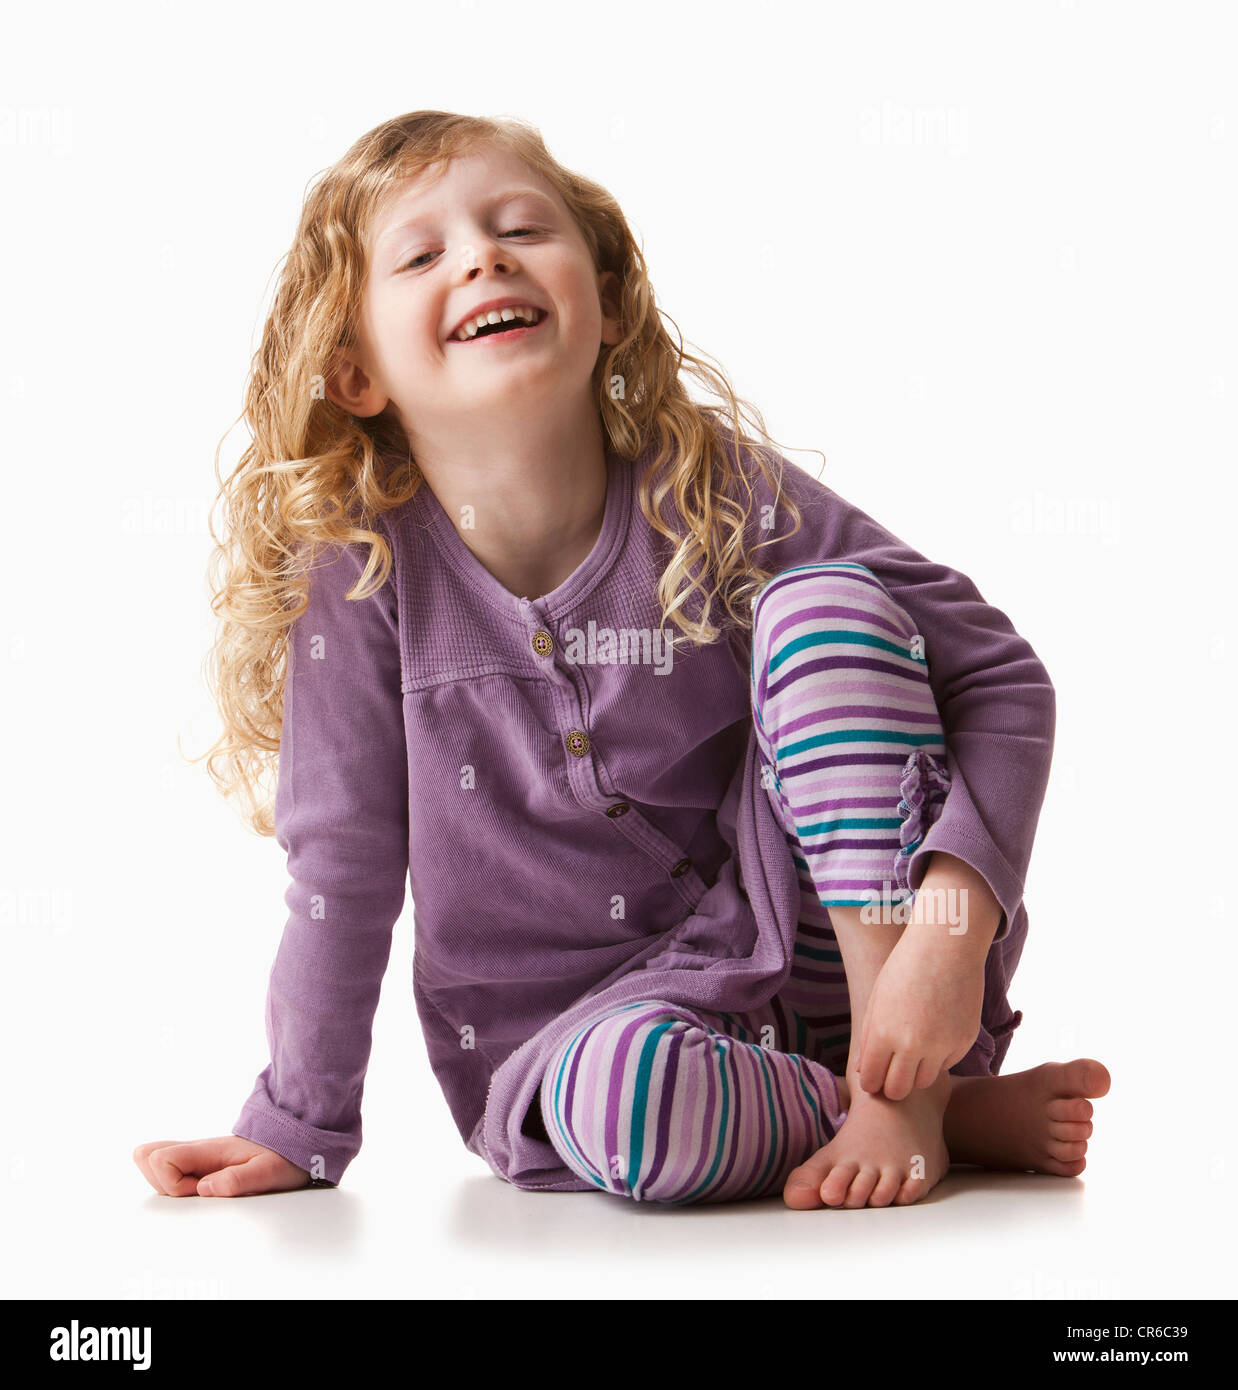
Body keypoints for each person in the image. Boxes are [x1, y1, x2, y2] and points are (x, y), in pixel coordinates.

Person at [134, 110, 1108, 1210]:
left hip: (842, 945)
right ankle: (927, 1110)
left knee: (827, 606)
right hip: (591, 1043)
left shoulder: (711, 486)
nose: (482, 255)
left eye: (518, 228)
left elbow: (995, 675)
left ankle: (907, 1091)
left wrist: (946, 936)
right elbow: (342, 865)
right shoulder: (361, 576)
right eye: (419, 254)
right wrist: (298, 1125)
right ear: (356, 372)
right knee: (632, 1105)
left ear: (602, 295)